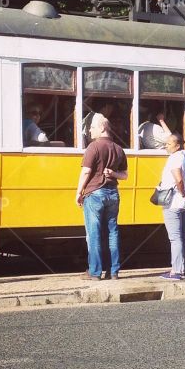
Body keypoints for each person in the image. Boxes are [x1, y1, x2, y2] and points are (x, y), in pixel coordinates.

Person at [75, 114, 128, 280]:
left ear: (102, 128)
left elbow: (86, 171)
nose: (89, 130)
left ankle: (95, 272)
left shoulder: (93, 147)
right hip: (113, 194)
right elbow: (125, 175)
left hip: (95, 194)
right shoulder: (119, 149)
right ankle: (113, 272)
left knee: (94, 233)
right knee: (113, 232)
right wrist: (113, 173)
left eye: (92, 127)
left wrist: (79, 192)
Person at [158, 133, 185, 280]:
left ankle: (176, 271)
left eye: (169, 143)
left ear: (177, 145)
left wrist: (183, 191)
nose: (166, 145)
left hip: (173, 202)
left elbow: (178, 178)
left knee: (175, 237)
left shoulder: (174, 158)